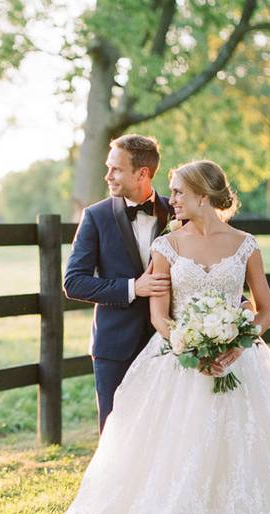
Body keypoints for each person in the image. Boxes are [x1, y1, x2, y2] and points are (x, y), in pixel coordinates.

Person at [38, 160, 270, 514]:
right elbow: (159, 316)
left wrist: (238, 344)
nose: (173, 201)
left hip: (238, 365)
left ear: (203, 196)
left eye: (180, 193)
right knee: (173, 452)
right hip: (177, 361)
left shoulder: (246, 246)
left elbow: (265, 309)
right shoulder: (166, 246)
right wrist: (190, 345)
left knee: (234, 450)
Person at [64, 134, 174, 433]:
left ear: (142, 173)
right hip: (114, 347)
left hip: (171, 344)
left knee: (167, 430)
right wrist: (132, 288)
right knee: (115, 433)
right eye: (108, 167)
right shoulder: (95, 217)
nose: (107, 175)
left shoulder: (178, 214)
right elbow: (74, 282)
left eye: (116, 169)